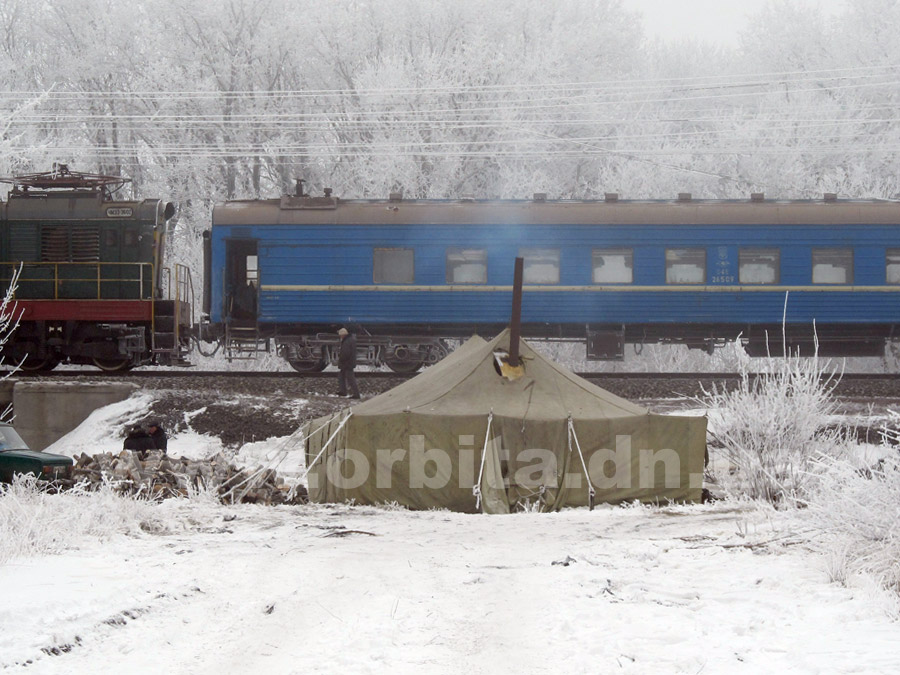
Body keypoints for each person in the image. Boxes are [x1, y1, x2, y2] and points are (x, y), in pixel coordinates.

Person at [337, 327, 360, 399]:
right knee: (341, 376)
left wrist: (341, 358)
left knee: (350, 379)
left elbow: (345, 353)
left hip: (347, 363)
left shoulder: (347, 341)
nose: (340, 336)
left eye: (340, 335)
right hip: (348, 362)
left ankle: (356, 395)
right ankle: (343, 391)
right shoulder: (350, 340)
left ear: (343, 335)